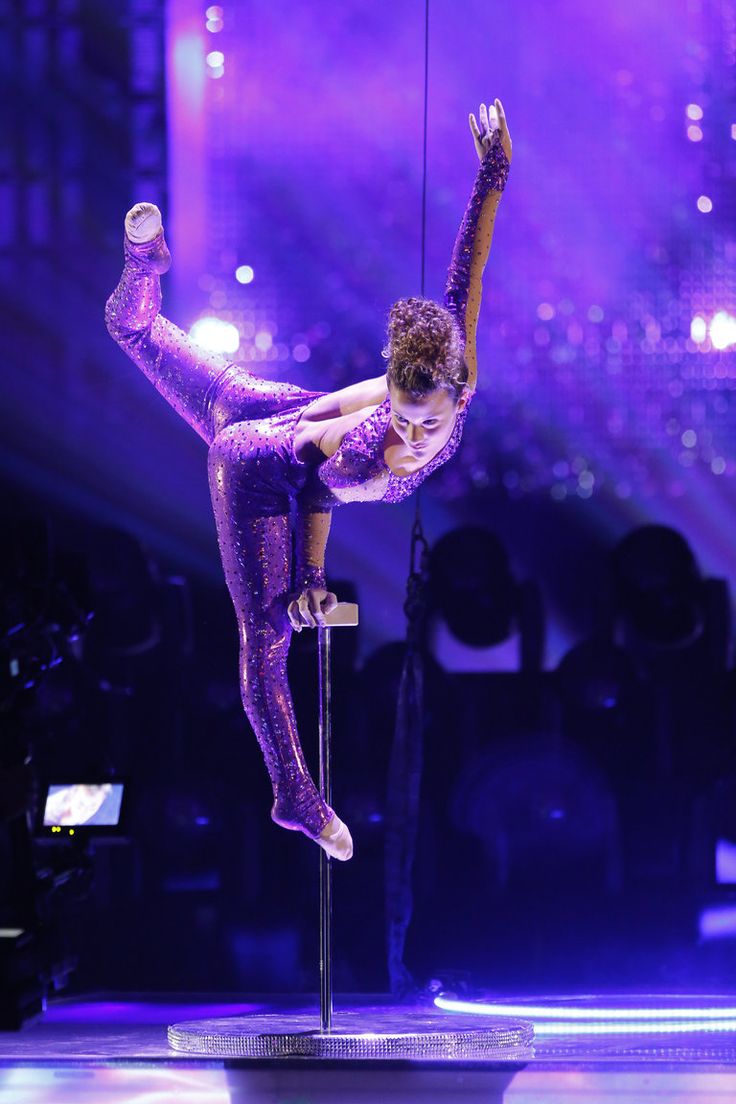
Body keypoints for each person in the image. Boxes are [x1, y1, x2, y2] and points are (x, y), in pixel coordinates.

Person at [105, 100, 512, 863]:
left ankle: (143, 264)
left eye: (428, 424)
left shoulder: (455, 365)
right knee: (265, 637)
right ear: (390, 391)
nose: (413, 439)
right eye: (401, 417)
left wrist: (492, 172)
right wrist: (309, 580)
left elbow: (468, 271)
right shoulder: (375, 455)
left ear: (459, 393)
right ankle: (294, 794)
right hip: (252, 464)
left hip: (276, 410)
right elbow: (315, 490)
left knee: (131, 327)